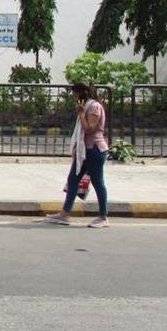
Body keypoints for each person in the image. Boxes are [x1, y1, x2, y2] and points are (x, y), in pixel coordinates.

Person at [43, 82, 110, 228]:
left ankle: (103, 217)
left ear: (81, 93)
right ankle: (64, 214)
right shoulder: (86, 106)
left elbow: (89, 129)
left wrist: (80, 113)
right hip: (84, 151)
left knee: (98, 182)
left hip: (95, 149)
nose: (73, 96)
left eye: (74, 93)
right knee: (73, 180)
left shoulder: (94, 106)